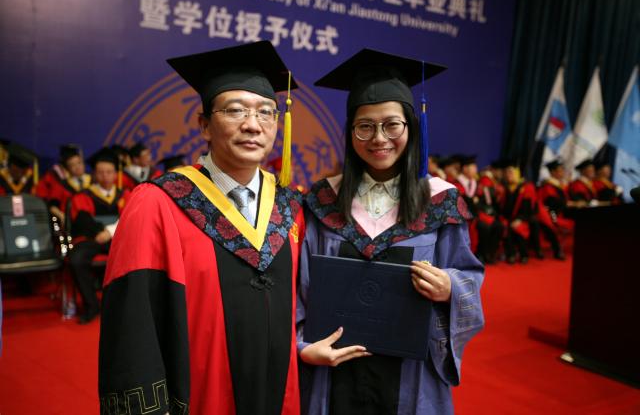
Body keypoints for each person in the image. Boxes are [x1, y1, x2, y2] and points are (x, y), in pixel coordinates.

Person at [98, 41, 304, 415]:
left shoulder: (291, 206)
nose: (252, 125)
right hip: (200, 398)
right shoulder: (158, 202)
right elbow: (132, 324)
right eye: (235, 110)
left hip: (278, 395)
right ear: (204, 125)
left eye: (265, 112)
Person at [297, 49, 484, 415]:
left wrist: (449, 287)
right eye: (365, 126)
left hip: (410, 374)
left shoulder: (440, 201)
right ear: (351, 132)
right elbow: (300, 287)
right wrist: (302, 346)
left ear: (411, 127)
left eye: (392, 125)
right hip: (334, 371)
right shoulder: (323, 200)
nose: (379, 138)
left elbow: (469, 276)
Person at [68, 148, 129, 324]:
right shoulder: (83, 196)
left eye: (109, 172)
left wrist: (109, 233)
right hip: (91, 239)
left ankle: (123, 304)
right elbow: (82, 219)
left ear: (115, 174)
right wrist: (101, 232)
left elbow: (130, 217)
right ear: (94, 174)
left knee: (134, 256)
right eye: (101, 172)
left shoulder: (125, 194)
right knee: (76, 260)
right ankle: (92, 305)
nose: (105, 176)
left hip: (117, 239)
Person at [35, 144, 91, 224]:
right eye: (72, 165)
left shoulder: (92, 181)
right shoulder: (62, 185)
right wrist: (62, 216)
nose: (77, 167)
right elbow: (52, 205)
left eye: (79, 163)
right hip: (72, 224)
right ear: (67, 169)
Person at [501, 161, 540, 264]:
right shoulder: (505, 188)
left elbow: (529, 208)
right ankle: (511, 254)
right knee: (506, 226)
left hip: (524, 217)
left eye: (511, 172)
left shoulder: (526, 187)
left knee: (518, 228)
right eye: (506, 172)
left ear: (517, 173)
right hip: (508, 218)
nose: (508, 175)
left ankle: (524, 254)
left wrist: (520, 219)